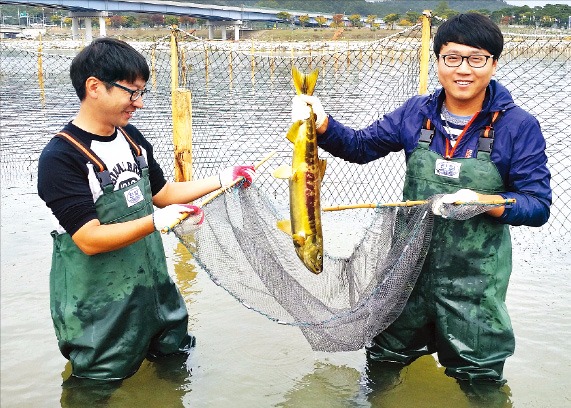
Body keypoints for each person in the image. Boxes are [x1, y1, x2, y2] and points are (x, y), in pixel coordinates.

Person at [292, 13, 551, 386]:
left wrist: (484, 200)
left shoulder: (518, 126)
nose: (464, 70)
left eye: (476, 58)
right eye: (453, 58)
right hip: (406, 276)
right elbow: (361, 147)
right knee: (383, 363)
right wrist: (321, 125)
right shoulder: (416, 113)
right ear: (438, 61)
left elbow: (537, 205)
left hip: (473, 288)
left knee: (480, 379)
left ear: (494, 63)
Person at [37, 37, 255, 381]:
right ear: (94, 87)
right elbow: (89, 239)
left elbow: (164, 192)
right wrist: (154, 222)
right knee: (96, 386)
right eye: (131, 92)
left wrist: (223, 178)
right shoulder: (61, 158)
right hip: (101, 306)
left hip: (154, 290)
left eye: (142, 92)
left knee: (176, 363)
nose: (137, 103)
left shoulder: (131, 138)